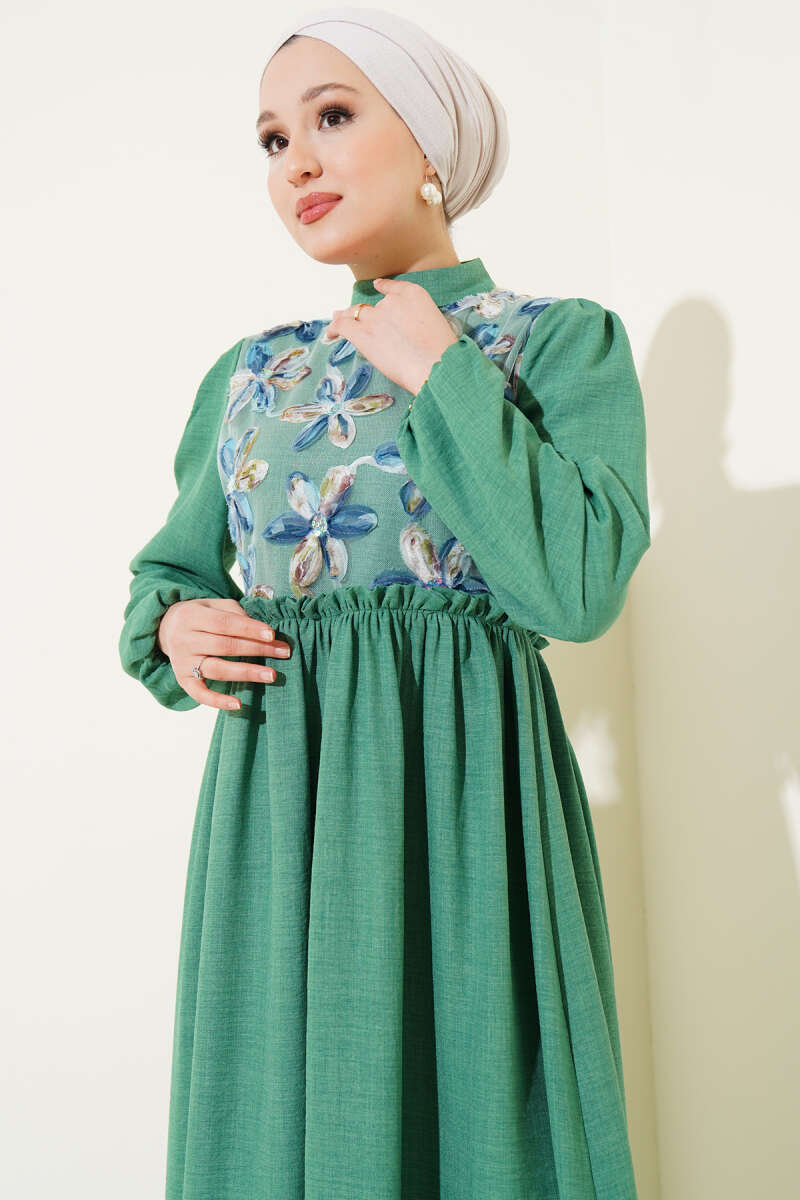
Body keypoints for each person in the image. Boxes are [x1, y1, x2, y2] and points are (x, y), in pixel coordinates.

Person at [118, 7, 651, 1198]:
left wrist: (440, 369)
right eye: (272, 140)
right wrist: (175, 627)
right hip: (280, 829)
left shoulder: (555, 346)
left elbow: (575, 588)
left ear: (429, 146)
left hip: (466, 820)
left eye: (331, 117)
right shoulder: (255, 375)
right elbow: (169, 578)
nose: (295, 163)